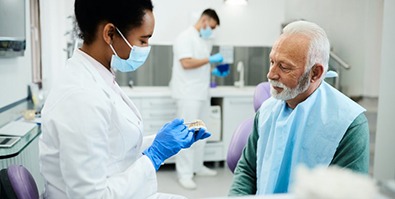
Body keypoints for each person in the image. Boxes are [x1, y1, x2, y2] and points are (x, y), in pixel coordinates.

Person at [39, 0, 211, 198]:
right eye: (143, 40)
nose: (146, 48)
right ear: (110, 34)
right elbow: (91, 196)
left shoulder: (97, 76)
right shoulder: (81, 96)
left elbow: (114, 149)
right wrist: (155, 155)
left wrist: (160, 141)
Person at [229, 21, 369, 195]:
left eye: (284, 67)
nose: (270, 74)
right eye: (272, 61)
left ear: (315, 73)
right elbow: (247, 170)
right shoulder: (267, 111)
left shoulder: (348, 124)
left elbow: (349, 194)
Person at [169, 8, 224, 190]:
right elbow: (186, 63)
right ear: (205, 21)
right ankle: (184, 174)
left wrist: (213, 70)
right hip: (187, 94)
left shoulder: (201, 39)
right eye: (213, 27)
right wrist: (210, 60)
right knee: (187, 133)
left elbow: (199, 64)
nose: (212, 31)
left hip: (200, 93)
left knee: (201, 131)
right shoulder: (185, 37)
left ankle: (197, 166)